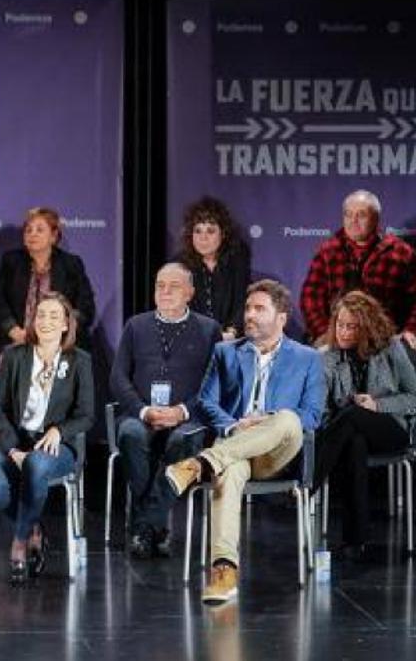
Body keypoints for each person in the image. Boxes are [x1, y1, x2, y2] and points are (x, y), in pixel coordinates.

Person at [165, 280, 324, 605]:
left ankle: (199, 463)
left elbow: (312, 416)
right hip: (234, 448)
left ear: (281, 317)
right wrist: (236, 425)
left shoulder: (307, 358)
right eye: (248, 308)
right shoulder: (226, 352)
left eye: (259, 309)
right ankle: (224, 571)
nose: (249, 315)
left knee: (289, 419)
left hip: (278, 453)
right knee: (230, 470)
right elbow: (207, 403)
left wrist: (265, 421)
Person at [0, 292, 94, 585]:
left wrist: (59, 431)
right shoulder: (14, 356)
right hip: (11, 439)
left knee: (37, 467)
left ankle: (19, 542)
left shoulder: (80, 361)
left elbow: (86, 415)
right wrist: (14, 448)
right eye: (41, 315)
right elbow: (0, 410)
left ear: (66, 324)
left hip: (55, 444)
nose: (46, 321)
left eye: (54, 316)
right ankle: (32, 529)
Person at [110, 263, 220, 558]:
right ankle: (156, 526)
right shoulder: (136, 325)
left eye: (174, 286)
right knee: (131, 434)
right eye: (160, 285)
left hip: (188, 419)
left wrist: (182, 411)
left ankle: (144, 525)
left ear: (190, 293)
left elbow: (214, 384)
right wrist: (144, 411)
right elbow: (118, 377)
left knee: (181, 441)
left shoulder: (209, 330)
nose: (165, 291)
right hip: (142, 415)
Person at [314, 290, 416, 560]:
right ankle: (354, 541)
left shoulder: (391, 349)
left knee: (354, 414)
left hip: (391, 429)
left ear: (367, 327)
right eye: (339, 325)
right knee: (354, 438)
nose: (343, 332)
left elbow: (414, 396)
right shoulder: (325, 356)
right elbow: (322, 410)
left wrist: (377, 406)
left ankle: (310, 480)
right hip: (347, 433)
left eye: (351, 327)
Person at [300, 190, 416, 347]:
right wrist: (325, 334)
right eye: (348, 214)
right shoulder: (328, 251)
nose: (353, 221)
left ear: (376, 219)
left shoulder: (400, 252)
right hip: (336, 342)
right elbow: (310, 298)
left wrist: (411, 330)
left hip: (385, 343)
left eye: (361, 215)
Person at [0, 206, 96, 357]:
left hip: (61, 346)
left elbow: (85, 307)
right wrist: (13, 331)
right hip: (18, 342)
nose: (33, 234)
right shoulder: (12, 261)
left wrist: (61, 332)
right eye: (28, 230)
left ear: (53, 236)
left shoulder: (71, 265)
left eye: (39, 230)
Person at [175, 196, 251, 340]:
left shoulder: (236, 261)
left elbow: (242, 300)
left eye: (210, 231)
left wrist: (232, 332)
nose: (203, 238)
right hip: (193, 340)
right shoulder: (180, 265)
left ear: (222, 234)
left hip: (232, 338)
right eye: (197, 231)